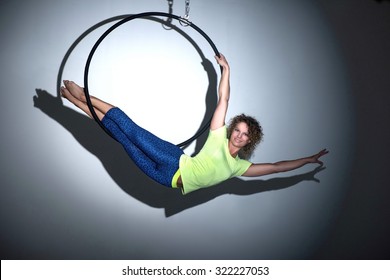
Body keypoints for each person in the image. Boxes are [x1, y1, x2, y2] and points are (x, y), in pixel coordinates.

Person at [61, 54, 328, 195]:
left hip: (165, 179)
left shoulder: (239, 168)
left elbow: (276, 167)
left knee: (120, 137)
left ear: (249, 140)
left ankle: (75, 102)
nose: (237, 135)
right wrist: (227, 70)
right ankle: (83, 94)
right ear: (232, 129)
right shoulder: (217, 136)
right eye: (237, 129)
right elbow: (223, 98)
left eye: (244, 135)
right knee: (131, 129)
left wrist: (307, 160)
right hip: (174, 160)